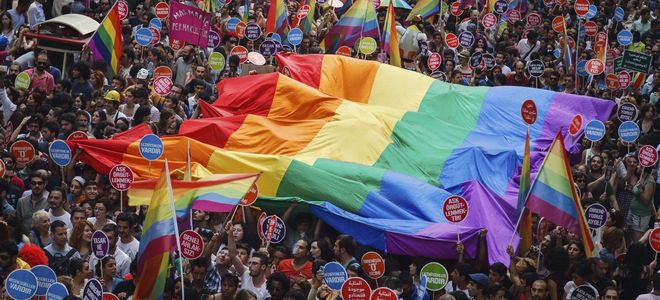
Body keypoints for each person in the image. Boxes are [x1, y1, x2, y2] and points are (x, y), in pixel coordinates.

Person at [227, 221, 270, 300]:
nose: (250, 266)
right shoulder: (246, 273)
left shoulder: (268, 288)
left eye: (255, 263)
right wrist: (230, 234)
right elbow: (233, 255)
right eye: (250, 263)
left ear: (263, 267)